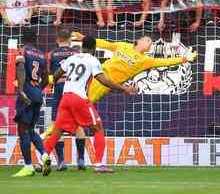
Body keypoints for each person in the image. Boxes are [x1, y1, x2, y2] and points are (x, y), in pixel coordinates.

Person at [43, 36, 137, 174]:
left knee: (58, 131)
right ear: (93, 48)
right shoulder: (93, 60)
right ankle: (99, 164)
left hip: (65, 97)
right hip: (79, 98)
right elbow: (103, 80)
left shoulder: (72, 58)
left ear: (82, 46)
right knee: (97, 128)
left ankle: (41, 160)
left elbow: (56, 76)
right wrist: (124, 89)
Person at [12, 28, 51, 177]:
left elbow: (21, 67)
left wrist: (22, 89)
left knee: (22, 131)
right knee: (30, 129)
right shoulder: (41, 55)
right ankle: (45, 156)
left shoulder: (22, 51)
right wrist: (37, 90)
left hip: (26, 93)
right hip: (37, 94)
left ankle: (28, 166)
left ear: (23, 38)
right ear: (35, 39)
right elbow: (46, 78)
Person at [47, 29, 86, 171]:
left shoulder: (51, 54)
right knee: (78, 123)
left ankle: (61, 162)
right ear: (70, 40)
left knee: (57, 124)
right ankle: (81, 159)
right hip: (74, 90)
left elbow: (50, 76)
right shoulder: (77, 54)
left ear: (57, 40)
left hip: (58, 90)